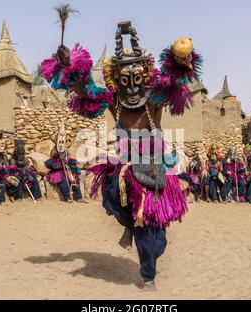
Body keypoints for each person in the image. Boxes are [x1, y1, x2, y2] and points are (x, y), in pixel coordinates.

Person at [42, 21, 202, 289]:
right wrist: (68, 64)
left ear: (145, 75)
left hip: (153, 166)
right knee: (111, 197)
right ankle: (134, 234)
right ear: (117, 78)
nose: (131, 84)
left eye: (137, 77)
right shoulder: (113, 101)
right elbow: (84, 90)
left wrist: (180, 61)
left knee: (153, 234)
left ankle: (148, 263)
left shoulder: (154, 97)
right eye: (125, 78)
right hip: (126, 166)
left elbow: (175, 83)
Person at [45, 123, 86, 203]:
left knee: (74, 179)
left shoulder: (66, 151)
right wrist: (58, 158)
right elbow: (52, 162)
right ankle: (66, 197)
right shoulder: (54, 151)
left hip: (67, 169)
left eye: (62, 142)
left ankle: (78, 197)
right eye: (59, 142)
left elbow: (69, 159)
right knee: (63, 180)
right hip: (58, 170)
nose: (60, 144)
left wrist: (74, 163)